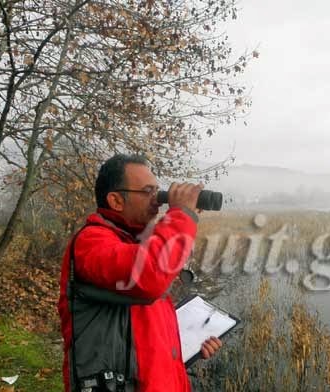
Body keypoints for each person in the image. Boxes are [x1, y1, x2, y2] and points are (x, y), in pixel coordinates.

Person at [58, 154, 222, 392]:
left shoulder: (136, 244)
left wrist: (188, 345)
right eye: (148, 191)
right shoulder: (91, 242)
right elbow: (150, 277)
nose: (157, 200)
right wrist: (181, 216)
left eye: (158, 191)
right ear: (116, 200)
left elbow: (144, 330)